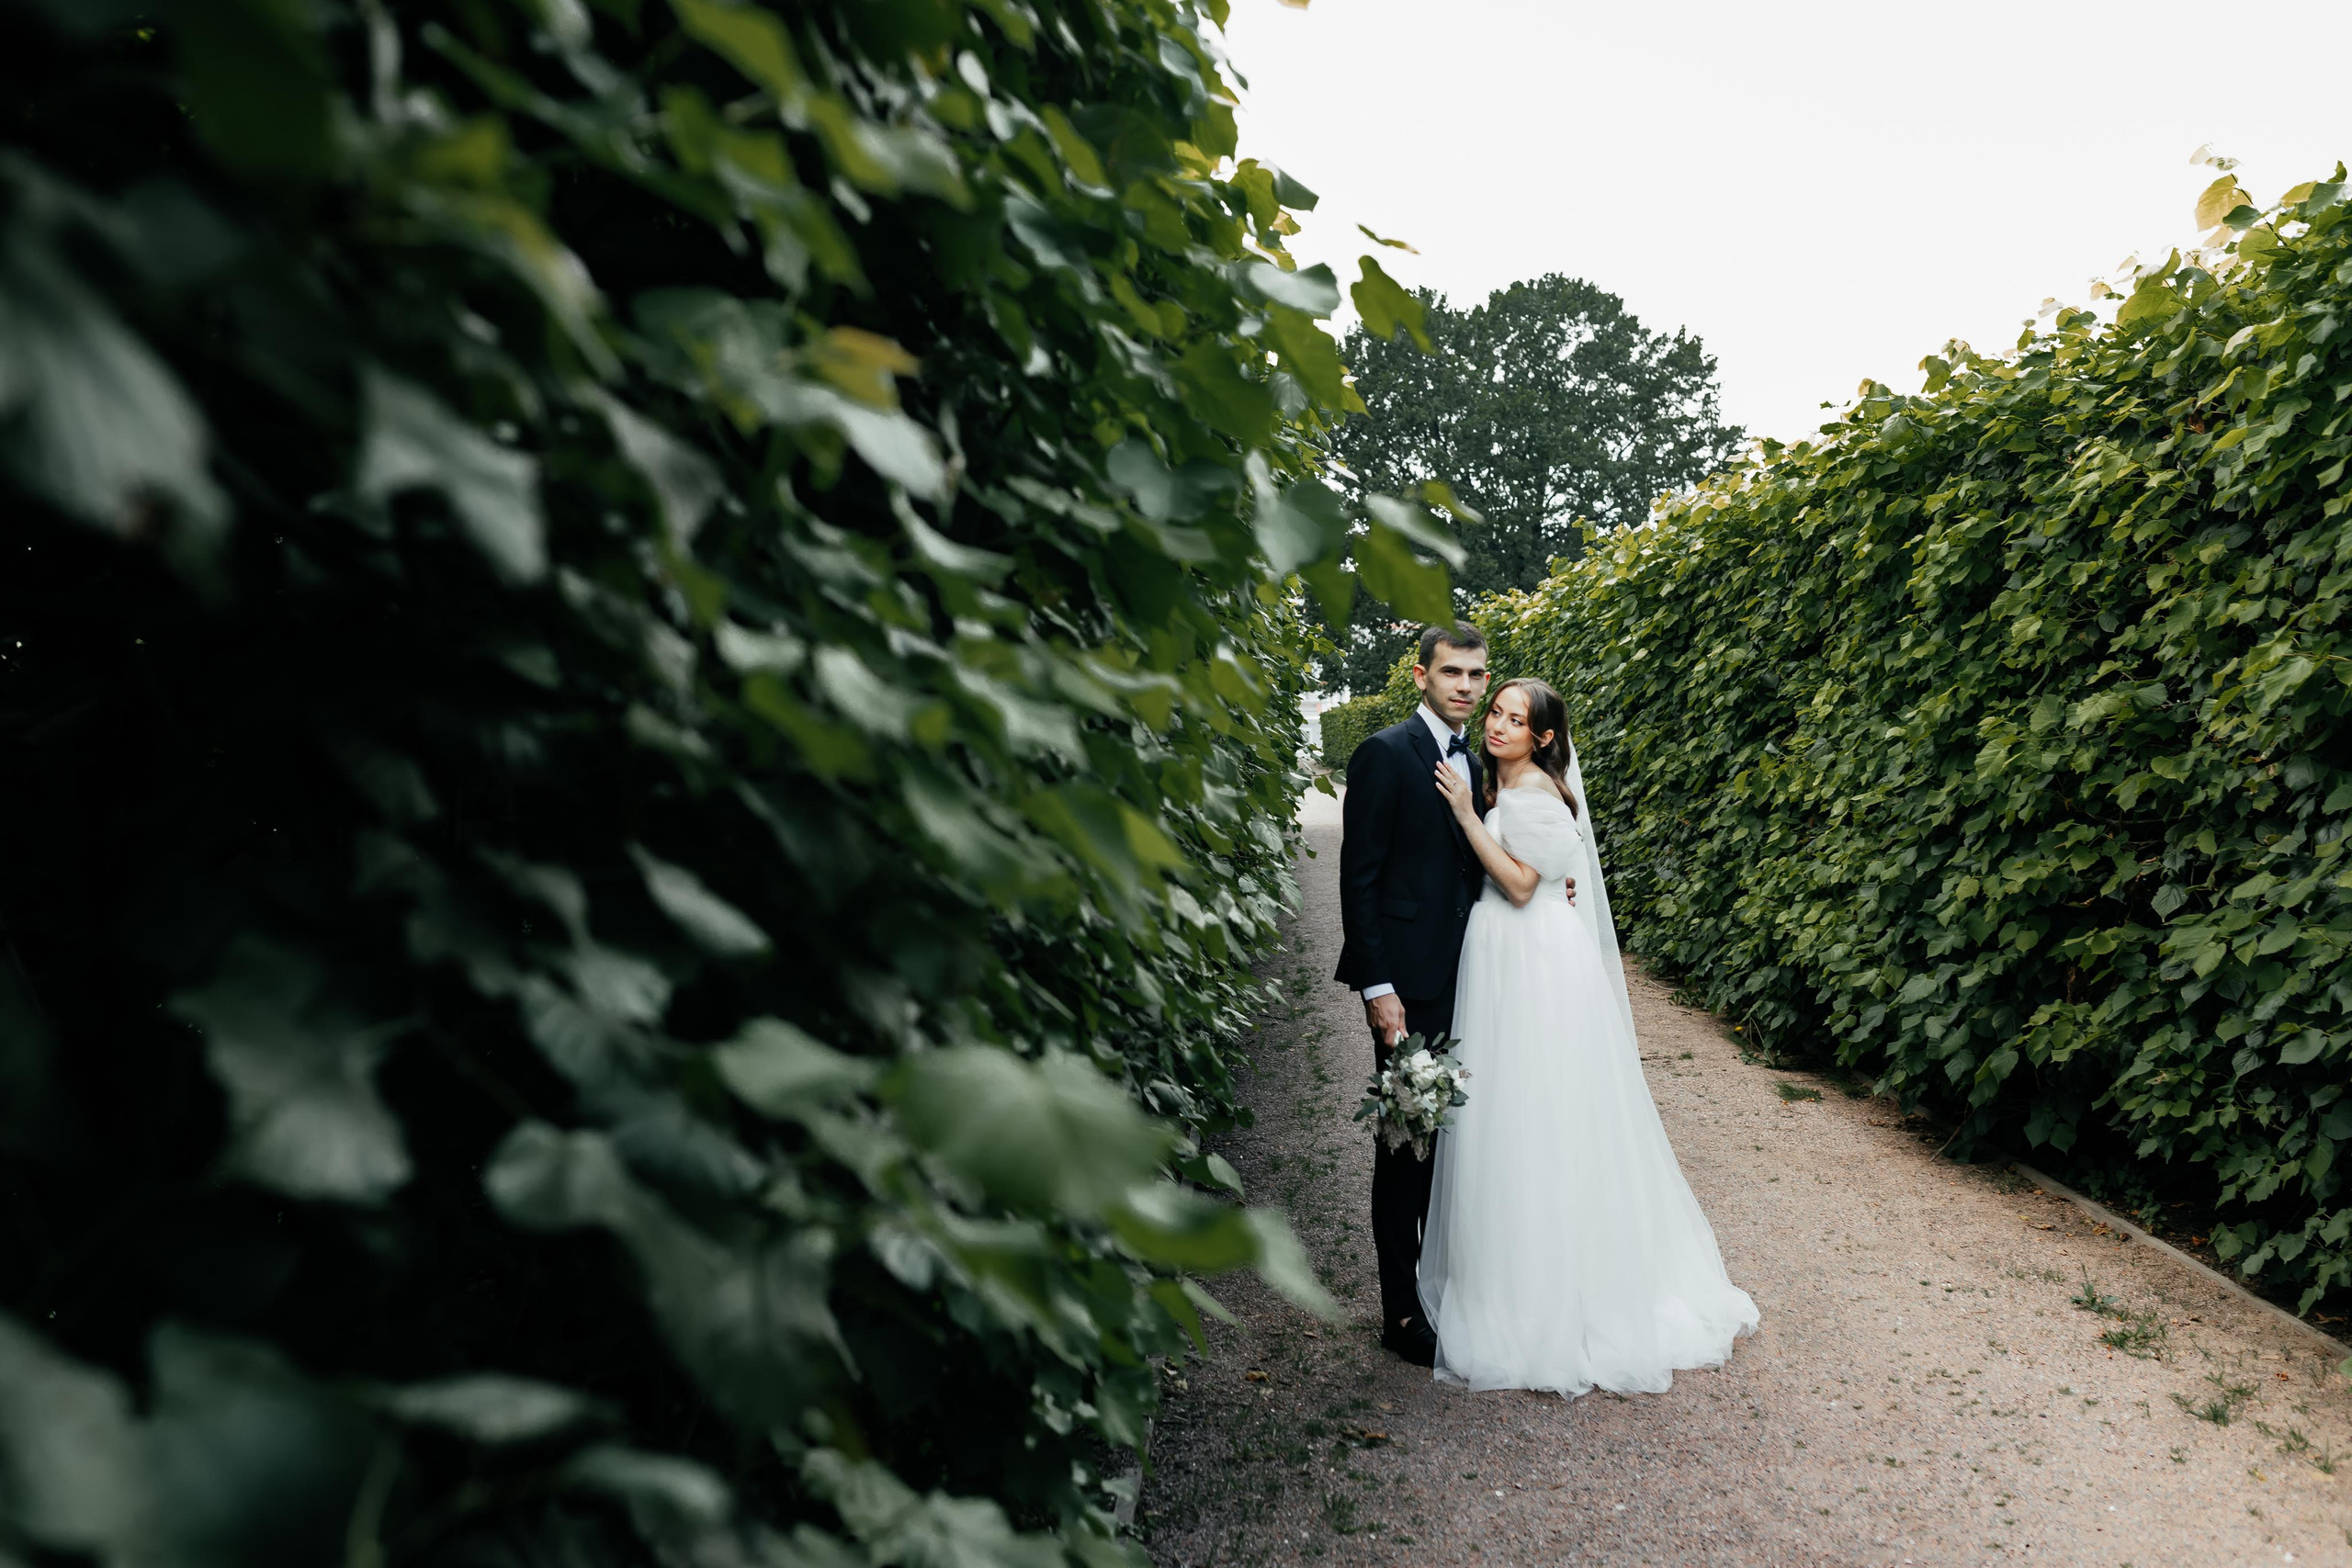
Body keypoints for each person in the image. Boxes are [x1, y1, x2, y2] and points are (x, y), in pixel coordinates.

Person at [1415, 676, 1758, 1394]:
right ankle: (1516, 1268)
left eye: (1517, 719)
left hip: (1531, 958)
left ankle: (1557, 1294)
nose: (1499, 726)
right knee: (1510, 1114)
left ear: (1544, 736)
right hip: (1509, 951)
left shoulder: (1535, 792)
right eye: (1498, 713)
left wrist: (1465, 815)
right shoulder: (1501, 782)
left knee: (1540, 1109)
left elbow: (1517, 883)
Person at [1334, 624, 1577, 1366]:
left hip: (1476, 980)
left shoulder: (1479, 759)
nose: (1469, 687)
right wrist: (1379, 989)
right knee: (1405, 1145)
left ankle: (1443, 1288)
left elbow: (1492, 861)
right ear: (1421, 676)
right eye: (1453, 673)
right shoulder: (1383, 753)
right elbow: (1360, 879)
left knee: (1453, 1150)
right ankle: (1400, 1313)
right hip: (1409, 987)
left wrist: (1546, 876)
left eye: (1478, 674)